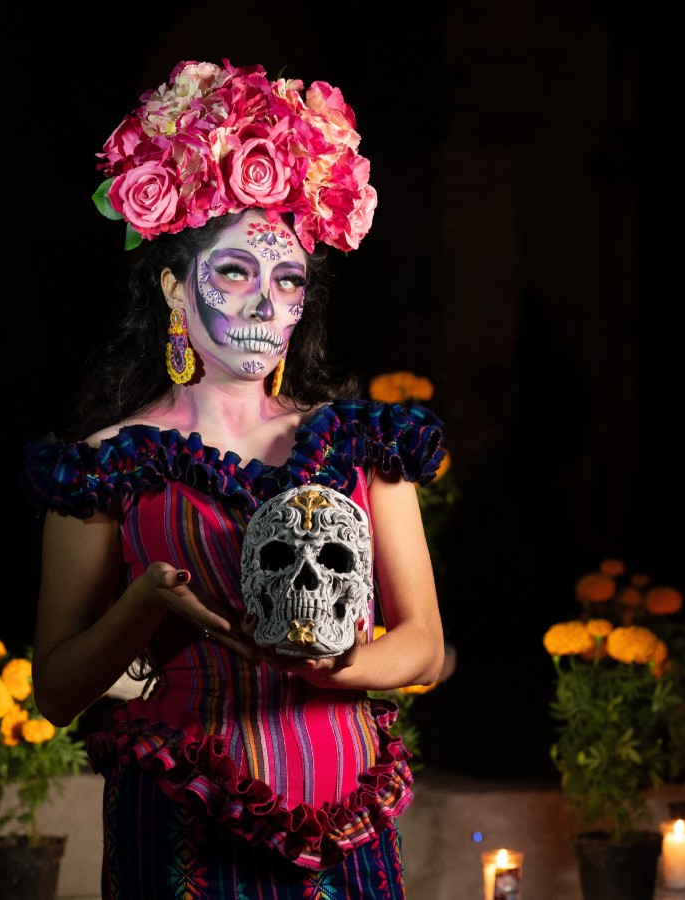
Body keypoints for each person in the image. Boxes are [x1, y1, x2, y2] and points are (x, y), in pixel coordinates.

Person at [22, 59, 447, 898]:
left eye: (286, 281)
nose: (263, 303)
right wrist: (142, 604)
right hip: (184, 822)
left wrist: (333, 664)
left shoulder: (362, 443)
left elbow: (425, 643)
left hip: (346, 818)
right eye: (233, 273)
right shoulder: (109, 462)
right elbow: (56, 691)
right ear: (177, 290)